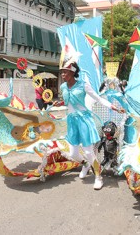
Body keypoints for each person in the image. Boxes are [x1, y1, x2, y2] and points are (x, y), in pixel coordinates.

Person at [53, 59, 124, 190]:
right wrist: (60, 103)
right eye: (62, 72)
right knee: (73, 153)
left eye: (66, 72)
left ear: (73, 72)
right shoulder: (63, 87)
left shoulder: (83, 85)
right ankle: (85, 164)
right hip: (72, 121)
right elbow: (66, 101)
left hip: (84, 120)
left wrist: (113, 107)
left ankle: (98, 177)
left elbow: (98, 98)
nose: (63, 75)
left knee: (88, 151)